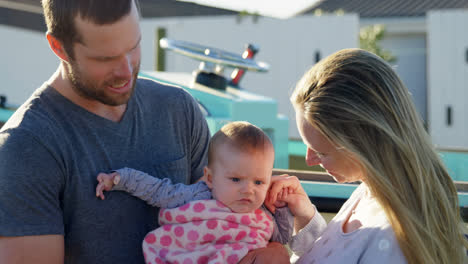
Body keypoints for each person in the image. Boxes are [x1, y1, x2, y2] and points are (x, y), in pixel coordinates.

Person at [0, 1, 212, 263]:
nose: (126, 71)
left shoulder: (178, 109)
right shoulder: (26, 147)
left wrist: (268, 252)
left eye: (133, 47)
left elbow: (229, 214)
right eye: (105, 58)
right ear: (59, 47)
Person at [264, 48, 468, 264]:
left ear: (364, 145)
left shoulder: (391, 243)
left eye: (322, 152)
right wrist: (306, 220)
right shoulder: (369, 192)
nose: (309, 160)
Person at [95, 121, 293, 264]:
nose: (248, 190)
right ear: (209, 178)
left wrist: (282, 205)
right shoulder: (196, 196)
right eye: (235, 179)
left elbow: (282, 237)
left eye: (259, 182)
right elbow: (158, 191)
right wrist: (121, 179)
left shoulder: (263, 213)